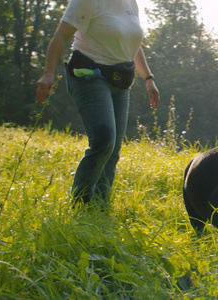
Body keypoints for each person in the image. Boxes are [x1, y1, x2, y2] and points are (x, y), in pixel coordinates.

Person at [36, 0, 160, 207]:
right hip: (89, 74)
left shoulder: (131, 3)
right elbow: (61, 36)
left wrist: (148, 79)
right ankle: (81, 204)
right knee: (103, 140)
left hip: (120, 79)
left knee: (113, 150)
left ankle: (100, 208)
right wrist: (48, 73)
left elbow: (133, 44)